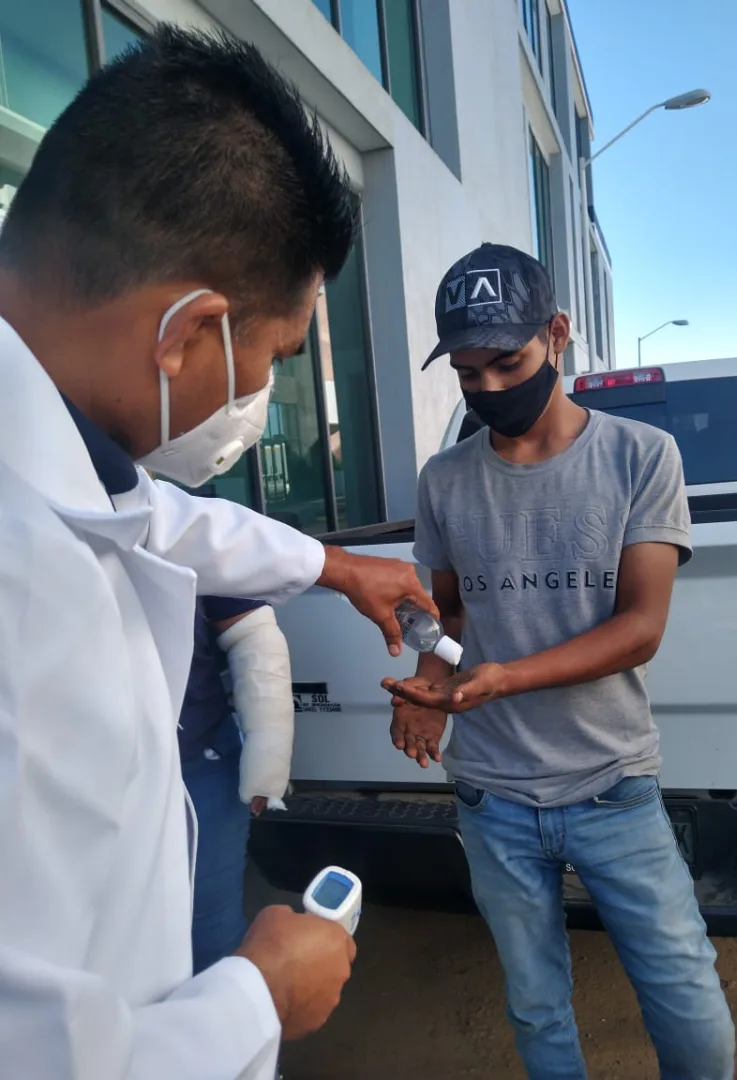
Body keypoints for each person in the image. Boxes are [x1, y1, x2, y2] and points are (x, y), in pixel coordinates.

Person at [0, 25, 438, 1080]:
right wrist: (258, 998)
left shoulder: (61, 464)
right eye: (274, 358)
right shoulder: (25, 593)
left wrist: (338, 567)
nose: (257, 400)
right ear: (185, 333)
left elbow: (157, 517)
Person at [383, 244, 736, 1080]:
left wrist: (505, 677)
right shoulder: (444, 480)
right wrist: (427, 688)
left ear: (558, 334)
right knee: (536, 1006)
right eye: (468, 373)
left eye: (507, 363)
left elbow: (640, 627)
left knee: (689, 1002)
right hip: (492, 794)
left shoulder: (641, 457)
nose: (488, 388)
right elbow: (450, 615)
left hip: (613, 783)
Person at [180, 596, 295, 974]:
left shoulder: (200, 550)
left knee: (211, 943)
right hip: (67, 773)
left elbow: (249, 628)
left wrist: (266, 767)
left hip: (196, 762)